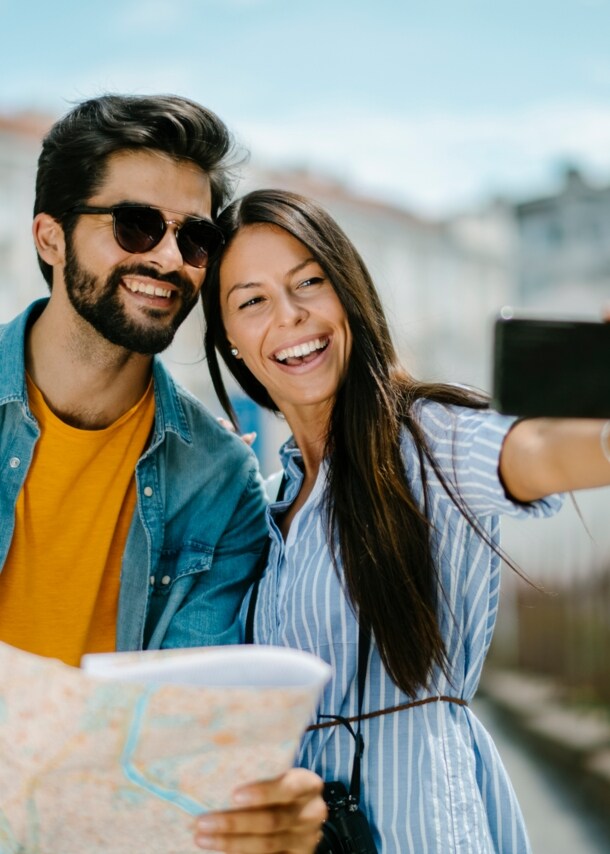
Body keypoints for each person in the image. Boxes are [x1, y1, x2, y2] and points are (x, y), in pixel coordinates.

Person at [201, 187, 610, 853]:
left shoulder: (428, 437)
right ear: (232, 344)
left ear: (350, 295)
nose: (292, 315)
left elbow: (536, 451)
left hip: (427, 826)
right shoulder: (268, 507)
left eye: (310, 282)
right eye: (253, 301)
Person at [0, 96, 325, 853]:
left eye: (197, 238)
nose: (171, 260)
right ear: (51, 237)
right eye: (136, 226)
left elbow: (179, 752)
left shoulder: (221, 487)